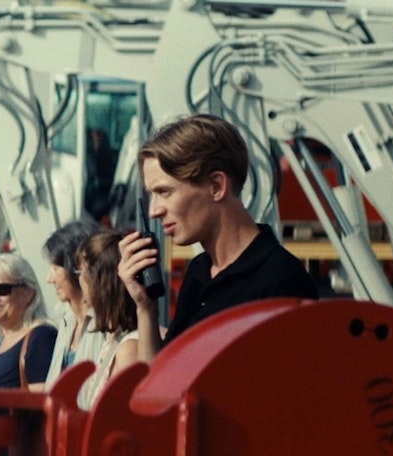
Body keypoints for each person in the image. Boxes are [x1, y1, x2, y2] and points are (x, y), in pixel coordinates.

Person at [118, 113, 318, 362]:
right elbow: (161, 378)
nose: (153, 210)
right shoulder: (199, 272)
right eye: (151, 195)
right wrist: (146, 307)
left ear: (216, 186)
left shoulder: (282, 281)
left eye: (165, 192)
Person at [0, 253, 58, 388]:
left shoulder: (41, 338)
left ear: (28, 294)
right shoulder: (2, 343)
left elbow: (42, 398)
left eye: (2, 289)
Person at [75, 230, 139, 410]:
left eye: (81, 272)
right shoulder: (113, 337)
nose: (79, 279)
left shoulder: (130, 347)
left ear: (99, 281)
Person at [42, 220, 106, 389]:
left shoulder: (107, 323)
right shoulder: (65, 321)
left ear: (78, 266)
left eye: (55, 269)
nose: (49, 279)